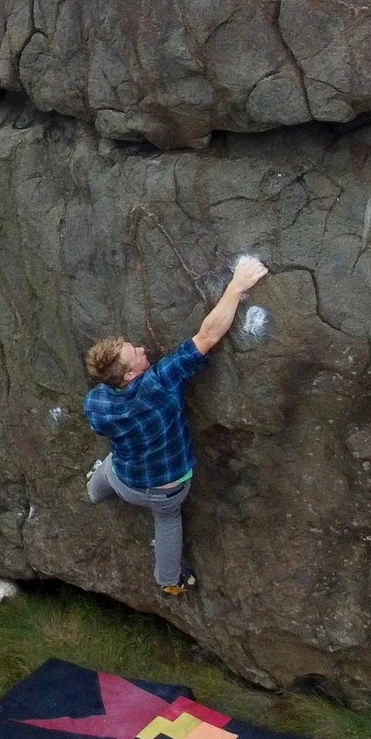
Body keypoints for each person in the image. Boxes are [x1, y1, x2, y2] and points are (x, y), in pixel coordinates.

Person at [83, 255, 269, 597]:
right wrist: (237, 285)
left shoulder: (96, 402)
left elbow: (102, 429)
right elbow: (208, 336)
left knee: (109, 466)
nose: (142, 349)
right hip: (165, 489)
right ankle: (169, 580)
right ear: (130, 374)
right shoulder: (158, 383)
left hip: (125, 480)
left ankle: (93, 493)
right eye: (136, 353)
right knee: (168, 521)